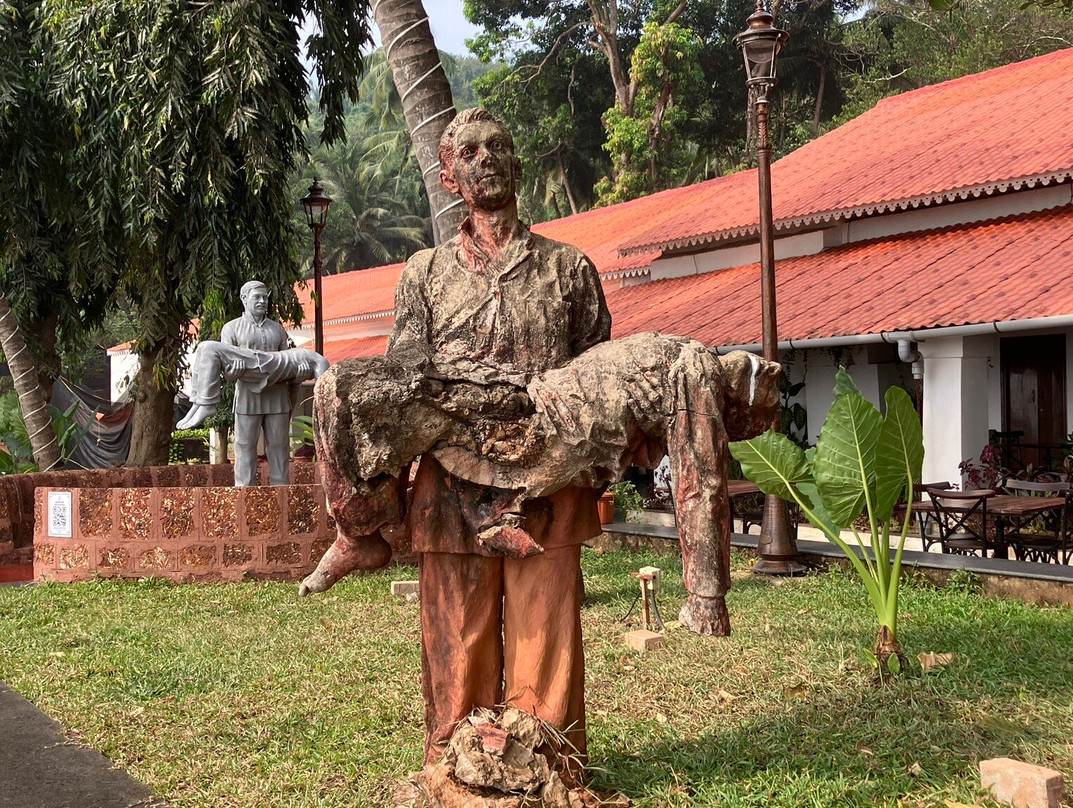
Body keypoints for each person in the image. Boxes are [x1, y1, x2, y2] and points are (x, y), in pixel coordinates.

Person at [302, 109, 780, 778]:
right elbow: (406, 370)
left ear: (517, 164)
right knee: (457, 641)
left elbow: (593, 371)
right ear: (450, 176)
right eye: (469, 150)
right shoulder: (424, 273)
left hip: (548, 471)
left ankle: (549, 767)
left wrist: (602, 458)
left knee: (545, 631)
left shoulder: (568, 268)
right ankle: (451, 768)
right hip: (454, 472)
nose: (487, 157)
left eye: (499, 145)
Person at [219, 281, 307, 486]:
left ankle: (281, 495)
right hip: (247, 397)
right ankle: (244, 497)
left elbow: (288, 363)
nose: (262, 301)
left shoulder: (277, 329)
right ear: (244, 299)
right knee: (245, 447)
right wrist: (235, 370)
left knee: (279, 448)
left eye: (265, 297)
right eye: (257, 297)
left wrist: (298, 374)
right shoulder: (231, 328)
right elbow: (226, 371)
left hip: (277, 396)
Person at [177, 341, 329, 431]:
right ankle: (199, 403)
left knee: (208, 348)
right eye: (257, 296)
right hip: (264, 362)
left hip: (266, 366)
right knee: (203, 348)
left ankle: (206, 403)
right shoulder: (314, 359)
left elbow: (315, 393)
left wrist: (297, 379)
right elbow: (322, 391)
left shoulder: (316, 361)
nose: (262, 301)